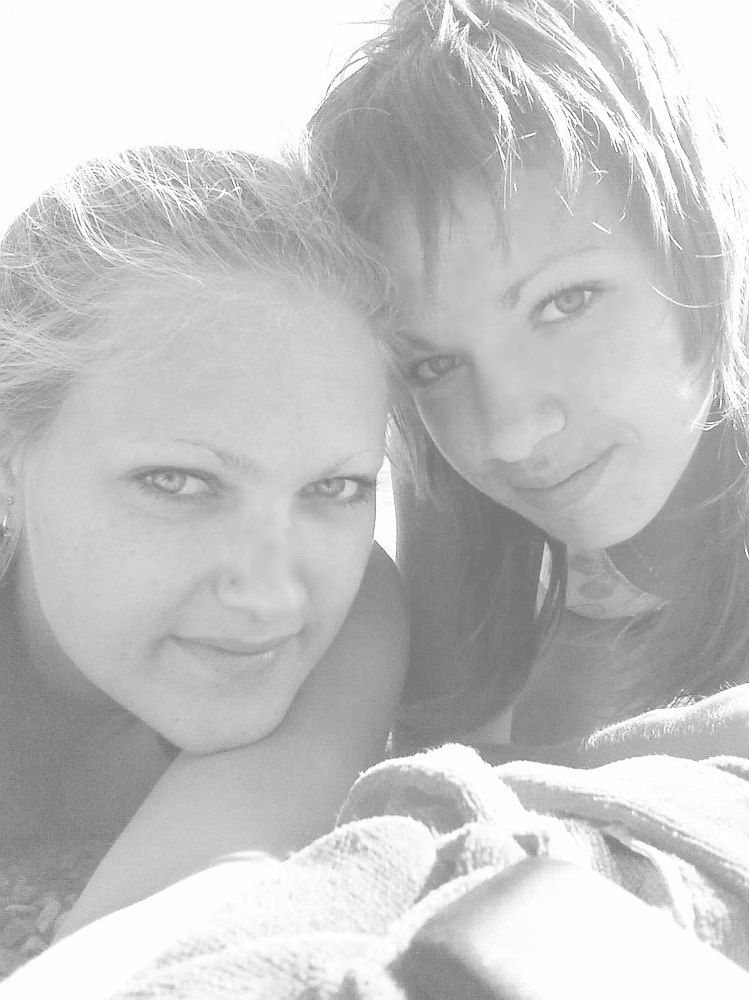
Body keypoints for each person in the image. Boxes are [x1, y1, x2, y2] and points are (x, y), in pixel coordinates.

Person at [308, 0, 749, 757]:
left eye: (564, 302)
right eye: (435, 364)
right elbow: (441, 749)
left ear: (701, 241)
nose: (509, 433)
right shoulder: (448, 477)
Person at [0, 146, 407, 939]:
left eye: (334, 488)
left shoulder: (351, 618)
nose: (271, 597)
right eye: (178, 482)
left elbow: (190, 901)